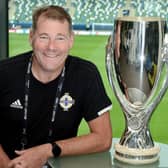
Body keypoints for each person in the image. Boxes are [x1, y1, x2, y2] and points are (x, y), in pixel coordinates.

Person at [0, 5, 112, 168]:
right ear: (31, 37)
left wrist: (47, 150)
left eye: (60, 38)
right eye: (44, 37)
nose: (51, 47)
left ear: (71, 40)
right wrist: (7, 166)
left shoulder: (86, 75)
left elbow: (103, 138)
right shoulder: (5, 72)